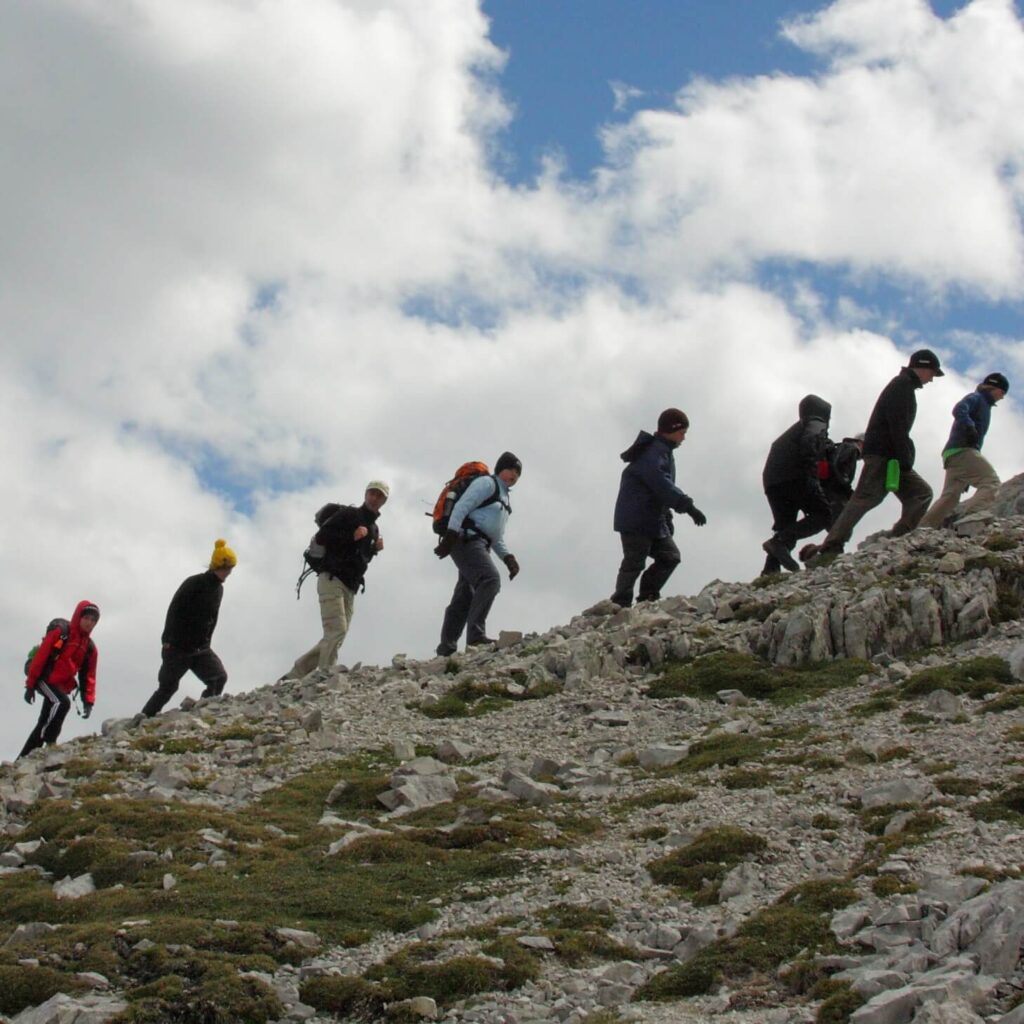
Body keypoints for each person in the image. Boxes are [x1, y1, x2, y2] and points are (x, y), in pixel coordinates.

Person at [805, 349, 943, 565]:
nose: (932, 379)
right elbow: (897, 426)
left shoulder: (903, 386)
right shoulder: (902, 387)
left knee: (920, 493)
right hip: (884, 455)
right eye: (932, 373)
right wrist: (904, 455)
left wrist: (903, 455)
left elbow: (897, 427)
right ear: (923, 367)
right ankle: (830, 547)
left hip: (890, 455)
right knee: (865, 498)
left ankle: (898, 538)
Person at [284, 483, 388, 679]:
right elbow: (323, 537)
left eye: (380, 496)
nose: (375, 498)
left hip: (350, 587)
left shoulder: (374, 528)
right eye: (372, 493)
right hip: (331, 578)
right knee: (337, 630)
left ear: (384, 501)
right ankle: (325, 677)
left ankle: (295, 674)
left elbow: (359, 557)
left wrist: (374, 550)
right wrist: (351, 536)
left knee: (336, 635)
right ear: (365, 494)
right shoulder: (350, 514)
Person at [610, 408, 707, 607]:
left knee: (670, 557)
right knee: (634, 562)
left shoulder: (661, 451)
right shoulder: (654, 453)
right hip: (636, 520)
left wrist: (666, 517)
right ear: (671, 430)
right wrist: (688, 507)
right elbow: (662, 484)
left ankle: (647, 596)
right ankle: (620, 603)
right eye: (682, 433)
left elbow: (659, 491)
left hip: (652, 521)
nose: (683, 438)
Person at [434, 453, 521, 655]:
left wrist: (508, 558)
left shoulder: (504, 497)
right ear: (500, 469)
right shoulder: (487, 484)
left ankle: (446, 647)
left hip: (480, 543)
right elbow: (462, 507)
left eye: (518, 473)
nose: (514, 475)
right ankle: (475, 636)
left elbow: (495, 535)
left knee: (464, 595)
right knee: (490, 579)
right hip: (466, 540)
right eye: (511, 469)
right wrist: (451, 535)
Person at [139, 539, 236, 718]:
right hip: (176, 648)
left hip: (200, 649)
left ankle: (204, 712)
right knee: (168, 687)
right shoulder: (194, 583)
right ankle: (143, 720)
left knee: (218, 677)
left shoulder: (218, 590)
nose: (229, 572)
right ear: (217, 565)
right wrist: (167, 641)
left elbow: (212, 619)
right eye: (227, 567)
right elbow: (174, 610)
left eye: (231, 568)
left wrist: (207, 642)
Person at [919, 372, 1009, 528]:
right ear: (994, 388)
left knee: (950, 497)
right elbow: (959, 408)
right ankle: (970, 517)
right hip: (963, 450)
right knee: (991, 482)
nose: (1002, 397)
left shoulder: (983, 402)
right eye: (1002, 393)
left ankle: (923, 528)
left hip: (952, 453)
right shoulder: (978, 398)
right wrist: (969, 425)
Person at [759, 395, 833, 574]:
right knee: (824, 515)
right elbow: (810, 441)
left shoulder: (791, 432)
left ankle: (770, 571)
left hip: (772, 481)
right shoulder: (816, 422)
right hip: (796, 476)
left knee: (786, 525)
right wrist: (812, 473)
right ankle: (780, 543)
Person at [20, 601, 100, 758]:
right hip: (43, 677)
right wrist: (30, 685)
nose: (89, 623)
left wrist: (88, 701)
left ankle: (22, 759)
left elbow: (89, 675)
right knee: (62, 703)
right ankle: (50, 741)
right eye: (87, 618)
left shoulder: (89, 647)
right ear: (79, 617)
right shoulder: (61, 632)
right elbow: (41, 657)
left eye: (93, 620)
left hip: (59, 684)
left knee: (44, 721)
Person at [796, 433, 864, 562]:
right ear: (862, 443)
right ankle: (825, 554)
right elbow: (839, 470)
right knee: (842, 527)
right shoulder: (852, 448)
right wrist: (845, 488)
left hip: (826, 490)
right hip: (834, 493)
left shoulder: (841, 447)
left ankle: (820, 552)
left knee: (838, 527)